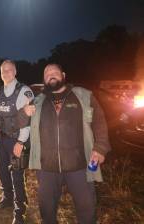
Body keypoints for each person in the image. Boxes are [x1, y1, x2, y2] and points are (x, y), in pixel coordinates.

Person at [19, 63, 111, 224]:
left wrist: (100, 148)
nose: (50, 75)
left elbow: (99, 121)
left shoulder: (82, 95)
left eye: (54, 71)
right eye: (47, 74)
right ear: (44, 80)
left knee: (86, 208)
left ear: (63, 75)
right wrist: (23, 112)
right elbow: (19, 123)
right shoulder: (38, 101)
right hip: (47, 167)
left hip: (80, 165)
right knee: (46, 210)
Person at [0, 60, 34, 224]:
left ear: (15, 72)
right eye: (3, 71)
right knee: (3, 171)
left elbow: (27, 120)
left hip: (16, 140)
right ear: (0, 74)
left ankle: (19, 209)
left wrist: (21, 142)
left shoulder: (24, 91)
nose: (6, 73)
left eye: (9, 70)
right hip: (1, 139)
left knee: (17, 175)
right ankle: (7, 198)